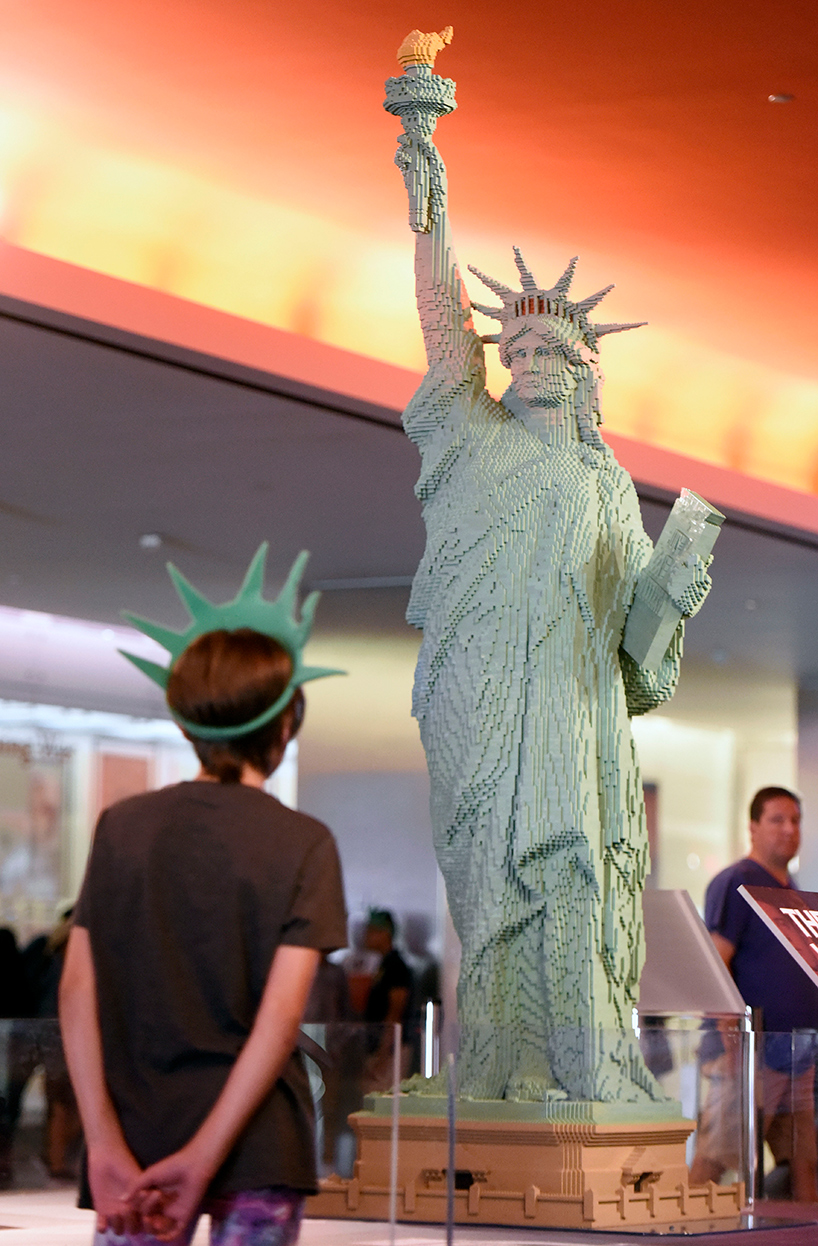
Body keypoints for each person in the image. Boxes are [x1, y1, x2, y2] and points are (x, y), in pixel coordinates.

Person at [385, 32, 711, 1102]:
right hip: (480, 695)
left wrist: (673, 588)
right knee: (487, 877)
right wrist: (423, 160)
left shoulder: (609, 488)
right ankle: (497, 1062)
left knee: (571, 870)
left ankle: (574, 1065)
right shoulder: (468, 438)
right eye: (512, 352)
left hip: (572, 716)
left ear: (582, 375)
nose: (523, 365)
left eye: (546, 355)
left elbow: (632, 654)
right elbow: (441, 320)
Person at [59, 546, 347, 1245]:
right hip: (258, 1146)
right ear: (284, 726)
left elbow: (76, 995)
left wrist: (102, 1146)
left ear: (189, 722)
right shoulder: (303, 842)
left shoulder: (120, 827)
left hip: (134, 1144)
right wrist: (207, 1158)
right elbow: (277, 1025)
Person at [689, 787, 818, 1201]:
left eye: (795, 820)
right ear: (753, 826)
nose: (789, 829)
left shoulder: (791, 888)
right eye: (777, 820)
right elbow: (716, 964)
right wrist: (733, 1046)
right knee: (720, 1156)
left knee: (803, 1158)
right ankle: (679, 1231)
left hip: (797, 1053)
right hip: (750, 1054)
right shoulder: (738, 881)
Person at [361, 910, 413, 1092]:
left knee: (384, 1104)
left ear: (384, 933)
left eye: (370, 931)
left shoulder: (396, 967)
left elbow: (395, 1013)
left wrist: (383, 1054)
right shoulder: (382, 965)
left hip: (391, 1051)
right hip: (380, 1048)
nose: (365, 936)